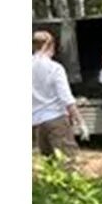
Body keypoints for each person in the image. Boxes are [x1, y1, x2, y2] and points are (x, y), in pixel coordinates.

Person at [31, 31, 76, 160]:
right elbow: (66, 97)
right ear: (49, 45)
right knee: (67, 161)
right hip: (56, 118)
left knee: (49, 164)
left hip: (38, 122)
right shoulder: (55, 68)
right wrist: (80, 120)